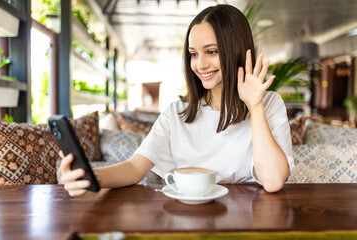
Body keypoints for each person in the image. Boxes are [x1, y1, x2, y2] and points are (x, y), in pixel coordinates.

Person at [60, 4, 294, 197]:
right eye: (193, 54)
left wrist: (254, 106)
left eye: (211, 51)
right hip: (185, 219)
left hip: (248, 222)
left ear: (235, 50)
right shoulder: (177, 113)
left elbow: (273, 181)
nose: (200, 65)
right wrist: (89, 176)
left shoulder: (268, 104)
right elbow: (134, 168)